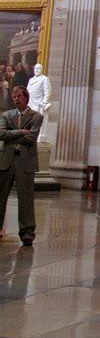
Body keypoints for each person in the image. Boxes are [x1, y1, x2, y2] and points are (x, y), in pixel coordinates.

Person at [0, 86, 43, 245]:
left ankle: (27, 233)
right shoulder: (6, 115)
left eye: (19, 96)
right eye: (14, 96)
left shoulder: (36, 116)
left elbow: (31, 138)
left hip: (25, 162)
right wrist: (21, 132)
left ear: (26, 98)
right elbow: (0, 134)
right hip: (6, 161)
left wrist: (12, 135)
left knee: (26, 198)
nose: (16, 99)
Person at [27, 63, 52, 142]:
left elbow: (48, 91)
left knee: (37, 120)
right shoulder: (31, 79)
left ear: (41, 69)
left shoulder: (44, 79)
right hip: (31, 102)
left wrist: (45, 102)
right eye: (35, 69)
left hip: (39, 103)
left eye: (38, 69)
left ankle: (37, 135)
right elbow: (27, 90)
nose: (36, 70)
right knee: (29, 120)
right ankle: (30, 135)